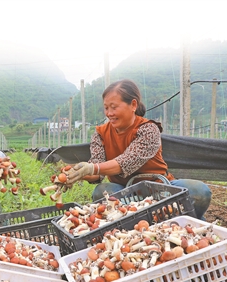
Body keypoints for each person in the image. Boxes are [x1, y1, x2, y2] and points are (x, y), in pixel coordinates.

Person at [66, 79, 212, 220]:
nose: (109, 113)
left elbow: (126, 162)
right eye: (106, 108)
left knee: (199, 192)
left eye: (114, 107)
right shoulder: (100, 134)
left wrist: (91, 168)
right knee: (101, 192)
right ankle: (134, 222)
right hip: (124, 192)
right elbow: (96, 172)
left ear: (133, 104)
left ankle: (189, 222)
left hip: (159, 188)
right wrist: (76, 173)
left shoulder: (149, 129)